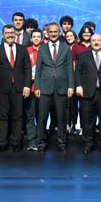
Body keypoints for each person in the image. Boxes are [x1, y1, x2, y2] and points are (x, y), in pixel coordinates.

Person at [0, 24, 31, 152]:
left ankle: (16, 143)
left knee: (18, 116)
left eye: (12, 33)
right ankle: (2, 143)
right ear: (3, 35)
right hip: (2, 88)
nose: (10, 35)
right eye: (7, 33)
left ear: (15, 34)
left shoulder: (22, 49)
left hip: (19, 88)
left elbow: (27, 69)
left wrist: (27, 86)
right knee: (2, 116)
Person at [34, 22, 75, 153]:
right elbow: (38, 69)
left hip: (62, 87)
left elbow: (70, 69)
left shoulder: (66, 48)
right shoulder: (42, 48)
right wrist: (37, 87)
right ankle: (41, 143)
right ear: (47, 33)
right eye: (50, 32)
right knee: (42, 118)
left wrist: (71, 86)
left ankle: (61, 143)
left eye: (55, 32)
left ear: (59, 32)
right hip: (45, 88)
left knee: (62, 118)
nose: (53, 34)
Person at [75, 33, 101, 154]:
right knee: (88, 121)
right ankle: (88, 144)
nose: (96, 42)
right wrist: (78, 86)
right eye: (94, 40)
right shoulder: (83, 55)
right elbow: (77, 72)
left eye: (99, 40)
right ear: (91, 42)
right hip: (87, 93)